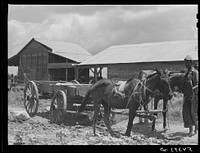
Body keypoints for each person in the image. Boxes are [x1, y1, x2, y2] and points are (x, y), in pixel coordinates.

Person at [182, 55, 198, 136]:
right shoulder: (186, 73)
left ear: (191, 63)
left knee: (193, 112)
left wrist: (192, 89)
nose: (185, 64)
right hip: (186, 95)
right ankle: (190, 130)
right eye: (185, 62)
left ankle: (195, 129)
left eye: (187, 62)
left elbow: (197, 84)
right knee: (186, 112)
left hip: (193, 96)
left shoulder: (195, 72)